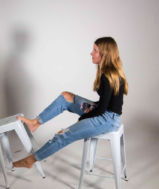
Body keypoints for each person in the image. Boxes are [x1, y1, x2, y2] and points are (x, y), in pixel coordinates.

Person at [13, 37, 128, 168]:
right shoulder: (108, 72)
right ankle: (35, 122)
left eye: (95, 50)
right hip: (104, 112)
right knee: (66, 97)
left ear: (105, 53)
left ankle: (31, 160)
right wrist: (92, 108)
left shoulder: (107, 76)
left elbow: (102, 110)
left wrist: (83, 117)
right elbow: (106, 102)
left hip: (106, 120)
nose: (91, 53)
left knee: (63, 134)